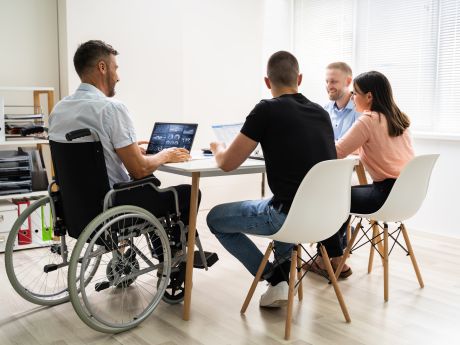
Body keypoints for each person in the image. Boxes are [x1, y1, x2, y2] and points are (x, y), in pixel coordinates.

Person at [206, 51, 337, 308]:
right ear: (299, 78)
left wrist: (216, 146)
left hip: (288, 217)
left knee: (215, 218)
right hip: (325, 216)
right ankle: (282, 277)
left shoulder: (266, 109)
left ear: (267, 82)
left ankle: (273, 276)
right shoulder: (321, 113)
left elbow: (227, 163)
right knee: (281, 200)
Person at [49, 40, 199, 245]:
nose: (118, 77)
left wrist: (122, 148)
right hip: (113, 205)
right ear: (102, 67)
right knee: (187, 193)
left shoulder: (59, 109)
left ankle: (163, 250)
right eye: (115, 68)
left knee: (150, 185)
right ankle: (177, 257)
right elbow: (139, 170)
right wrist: (166, 154)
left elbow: (87, 154)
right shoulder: (111, 109)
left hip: (76, 208)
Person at [311, 70, 414, 274]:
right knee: (345, 194)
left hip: (384, 195)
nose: (352, 97)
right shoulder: (398, 119)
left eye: (355, 93)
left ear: (369, 96)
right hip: (405, 194)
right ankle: (332, 255)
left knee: (330, 198)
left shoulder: (368, 120)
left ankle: (329, 258)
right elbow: (377, 146)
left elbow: (337, 152)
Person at [324, 62, 360, 141]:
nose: (329, 86)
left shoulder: (360, 110)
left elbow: (361, 148)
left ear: (348, 81)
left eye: (333, 82)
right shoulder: (325, 110)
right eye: (327, 82)